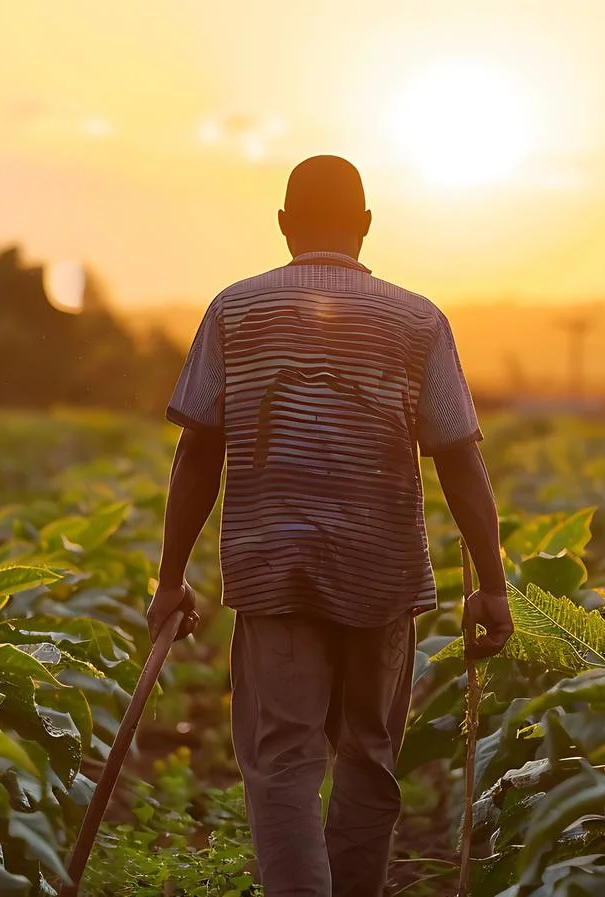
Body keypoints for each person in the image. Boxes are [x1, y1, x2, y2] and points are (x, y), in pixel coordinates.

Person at [148, 155, 513, 897]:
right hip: (379, 572)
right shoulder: (417, 319)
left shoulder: (235, 310)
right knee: (369, 755)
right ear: (367, 225)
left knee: (282, 761)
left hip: (273, 568)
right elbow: (460, 459)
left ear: (283, 225)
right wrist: (493, 587)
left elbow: (197, 455)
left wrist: (169, 578)